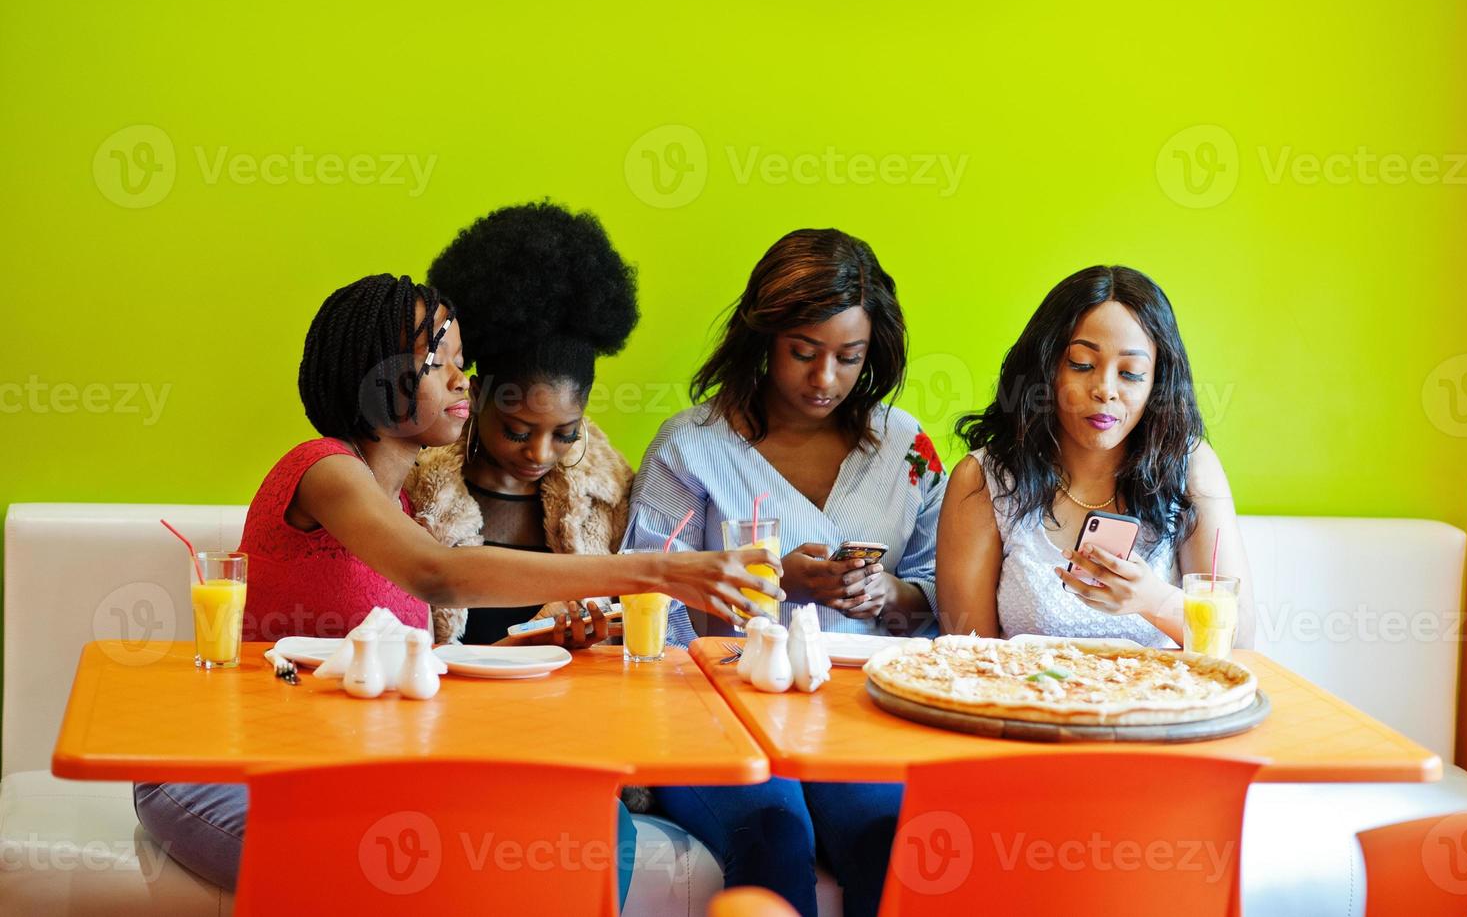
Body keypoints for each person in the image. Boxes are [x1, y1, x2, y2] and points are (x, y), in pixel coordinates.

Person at [133, 273, 781, 898]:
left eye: (461, 361)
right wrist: (660, 571)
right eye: (436, 361)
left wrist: (530, 644)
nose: (460, 380)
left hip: (325, 773)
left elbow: (408, 669)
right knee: (405, 859)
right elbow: (438, 577)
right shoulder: (324, 470)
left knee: (571, 822)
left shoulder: (404, 511)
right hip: (219, 773)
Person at [624, 229, 941, 917]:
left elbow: (941, 605)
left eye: (847, 358)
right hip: (710, 717)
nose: (823, 379)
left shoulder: (904, 448)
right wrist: (774, 586)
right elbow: (643, 612)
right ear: (761, 339)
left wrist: (888, 593)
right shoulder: (693, 448)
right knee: (771, 831)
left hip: (855, 715)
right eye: (802, 352)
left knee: (888, 836)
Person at [935, 265, 1255, 648]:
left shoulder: (1191, 467)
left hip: (1158, 706)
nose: (1105, 390)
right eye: (1082, 365)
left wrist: (1153, 600)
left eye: (1131, 373)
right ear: (1046, 367)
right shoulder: (985, 479)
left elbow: (1238, 645)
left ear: (1157, 382)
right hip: (1023, 706)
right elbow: (964, 655)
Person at [406, 201, 639, 651]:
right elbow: (394, 641)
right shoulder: (416, 491)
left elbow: (634, 639)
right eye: (518, 431)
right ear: (475, 396)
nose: (540, 452)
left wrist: (592, 641)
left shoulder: (608, 499)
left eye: (566, 432)